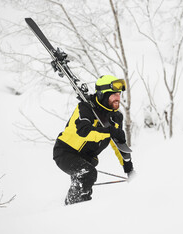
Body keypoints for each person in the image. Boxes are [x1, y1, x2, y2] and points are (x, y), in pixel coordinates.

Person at [53, 75, 134, 205]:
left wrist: (129, 168)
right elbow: (84, 131)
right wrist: (109, 132)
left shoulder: (116, 117)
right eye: (113, 95)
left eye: (118, 94)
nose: (118, 98)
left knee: (85, 177)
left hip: (88, 158)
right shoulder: (85, 108)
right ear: (102, 95)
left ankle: (75, 204)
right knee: (88, 174)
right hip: (65, 152)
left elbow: (117, 144)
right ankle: (74, 207)